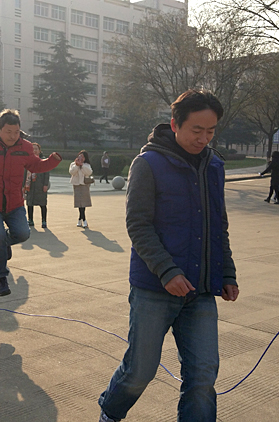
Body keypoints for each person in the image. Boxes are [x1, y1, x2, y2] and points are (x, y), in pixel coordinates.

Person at [98, 89, 239, 422]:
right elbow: (138, 225)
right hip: (154, 289)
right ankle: (110, 414)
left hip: (200, 291)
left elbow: (218, 225)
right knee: (140, 371)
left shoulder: (214, 165)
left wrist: (227, 273)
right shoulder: (148, 164)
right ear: (175, 124)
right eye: (196, 130)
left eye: (211, 131)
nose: (203, 138)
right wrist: (167, 271)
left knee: (202, 377)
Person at [0, 109, 62, 296]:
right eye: (8, 132)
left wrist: (52, 161)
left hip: (15, 203)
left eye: (16, 132)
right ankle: (1, 277)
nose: (13, 136)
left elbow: (36, 165)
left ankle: (2, 246)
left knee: (23, 234)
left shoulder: (25, 147)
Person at [25, 142, 50, 229]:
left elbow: (47, 173)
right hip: (30, 185)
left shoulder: (43, 161)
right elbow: (24, 173)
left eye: (36, 149)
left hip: (40, 185)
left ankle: (44, 221)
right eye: (32, 149)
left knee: (42, 204)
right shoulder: (27, 161)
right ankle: (30, 220)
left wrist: (45, 184)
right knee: (29, 203)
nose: (34, 151)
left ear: (39, 150)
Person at [70, 150, 93, 228]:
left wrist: (82, 165)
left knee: (84, 203)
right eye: (80, 156)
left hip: (84, 185)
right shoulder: (73, 164)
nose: (81, 158)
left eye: (83, 157)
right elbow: (72, 172)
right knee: (79, 203)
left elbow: (89, 172)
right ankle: (82, 219)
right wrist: (77, 165)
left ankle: (82, 219)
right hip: (76, 185)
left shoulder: (87, 165)